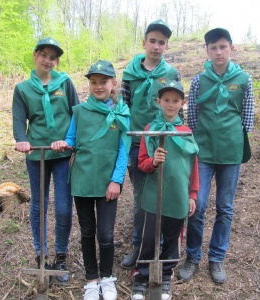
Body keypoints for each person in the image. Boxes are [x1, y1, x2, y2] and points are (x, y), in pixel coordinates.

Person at [177, 28, 254, 284]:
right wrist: (198, 141)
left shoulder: (243, 79)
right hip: (204, 151)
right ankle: (192, 256)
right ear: (207, 51)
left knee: (225, 207)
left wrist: (233, 137)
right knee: (197, 206)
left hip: (231, 153)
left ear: (231, 48)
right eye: (213, 48)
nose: (218, 52)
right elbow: (193, 115)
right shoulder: (200, 80)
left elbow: (247, 116)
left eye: (223, 47)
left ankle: (217, 258)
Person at [51, 60, 130, 300]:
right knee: (87, 231)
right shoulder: (80, 111)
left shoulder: (122, 113)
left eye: (103, 82)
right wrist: (63, 143)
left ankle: (107, 278)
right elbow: (71, 138)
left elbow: (124, 149)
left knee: (105, 234)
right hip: (83, 180)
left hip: (108, 183)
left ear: (113, 84)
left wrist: (116, 180)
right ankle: (91, 280)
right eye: (94, 82)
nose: (98, 86)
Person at [12, 37, 79, 284]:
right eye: (44, 55)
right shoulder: (23, 88)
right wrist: (21, 140)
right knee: (39, 206)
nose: (48, 61)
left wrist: (71, 140)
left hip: (62, 154)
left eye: (53, 57)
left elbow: (76, 113)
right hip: (37, 154)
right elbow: (19, 120)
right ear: (35, 55)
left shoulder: (65, 82)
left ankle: (61, 255)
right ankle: (41, 255)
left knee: (63, 207)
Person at [121, 19, 182, 269]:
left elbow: (178, 108)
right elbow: (124, 109)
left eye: (162, 42)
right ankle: (139, 247)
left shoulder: (171, 74)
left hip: (165, 144)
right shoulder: (129, 74)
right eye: (153, 41)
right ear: (144, 42)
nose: (156, 46)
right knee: (140, 199)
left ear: (167, 46)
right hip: (138, 143)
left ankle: (163, 248)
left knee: (165, 195)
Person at [130, 80, 199, 300]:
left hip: (177, 195)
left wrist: (192, 195)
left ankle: (165, 276)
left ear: (183, 103)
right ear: (159, 102)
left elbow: (193, 167)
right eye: (166, 100)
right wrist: (154, 162)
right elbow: (142, 162)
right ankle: (141, 278)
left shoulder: (186, 132)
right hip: (153, 197)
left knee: (171, 240)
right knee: (149, 238)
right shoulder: (150, 130)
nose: (171, 105)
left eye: (176, 101)